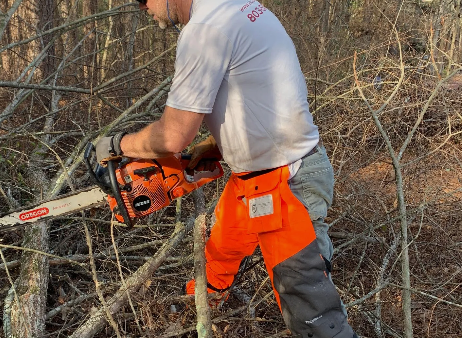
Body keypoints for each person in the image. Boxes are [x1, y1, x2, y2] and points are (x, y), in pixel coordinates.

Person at [96, 0, 358, 336]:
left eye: (143, 1)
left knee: (312, 313)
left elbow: (172, 136)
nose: (145, 9)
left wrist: (117, 144)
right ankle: (198, 314)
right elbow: (265, 98)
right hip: (258, 177)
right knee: (220, 252)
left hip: (285, 182)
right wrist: (218, 147)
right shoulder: (239, 8)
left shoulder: (205, 29)